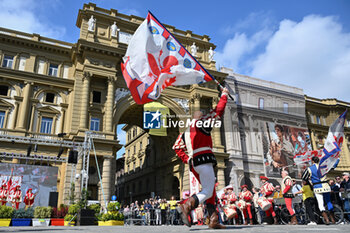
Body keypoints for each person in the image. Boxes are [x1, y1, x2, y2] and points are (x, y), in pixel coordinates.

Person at [174, 87, 229, 229]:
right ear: (198, 117)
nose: (203, 114)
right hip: (204, 159)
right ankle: (187, 205)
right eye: (201, 113)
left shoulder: (185, 132)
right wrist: (224, 95)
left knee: (208, 189)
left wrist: (187, 159)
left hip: (194, 163)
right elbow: (218, 111)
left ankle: (213, 220)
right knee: (208, 190)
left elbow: (176, 147)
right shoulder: (202, 123)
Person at [302, 156, 335, 225]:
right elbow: (333, 167)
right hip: (326, 186)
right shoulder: (324, 166)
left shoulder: (310, 169)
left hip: (317, 187)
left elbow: (304, 177)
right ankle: (333, 219)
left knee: (320, 203)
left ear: (312, 161)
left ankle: (326, 219)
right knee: (328, 202)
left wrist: (310, 180)